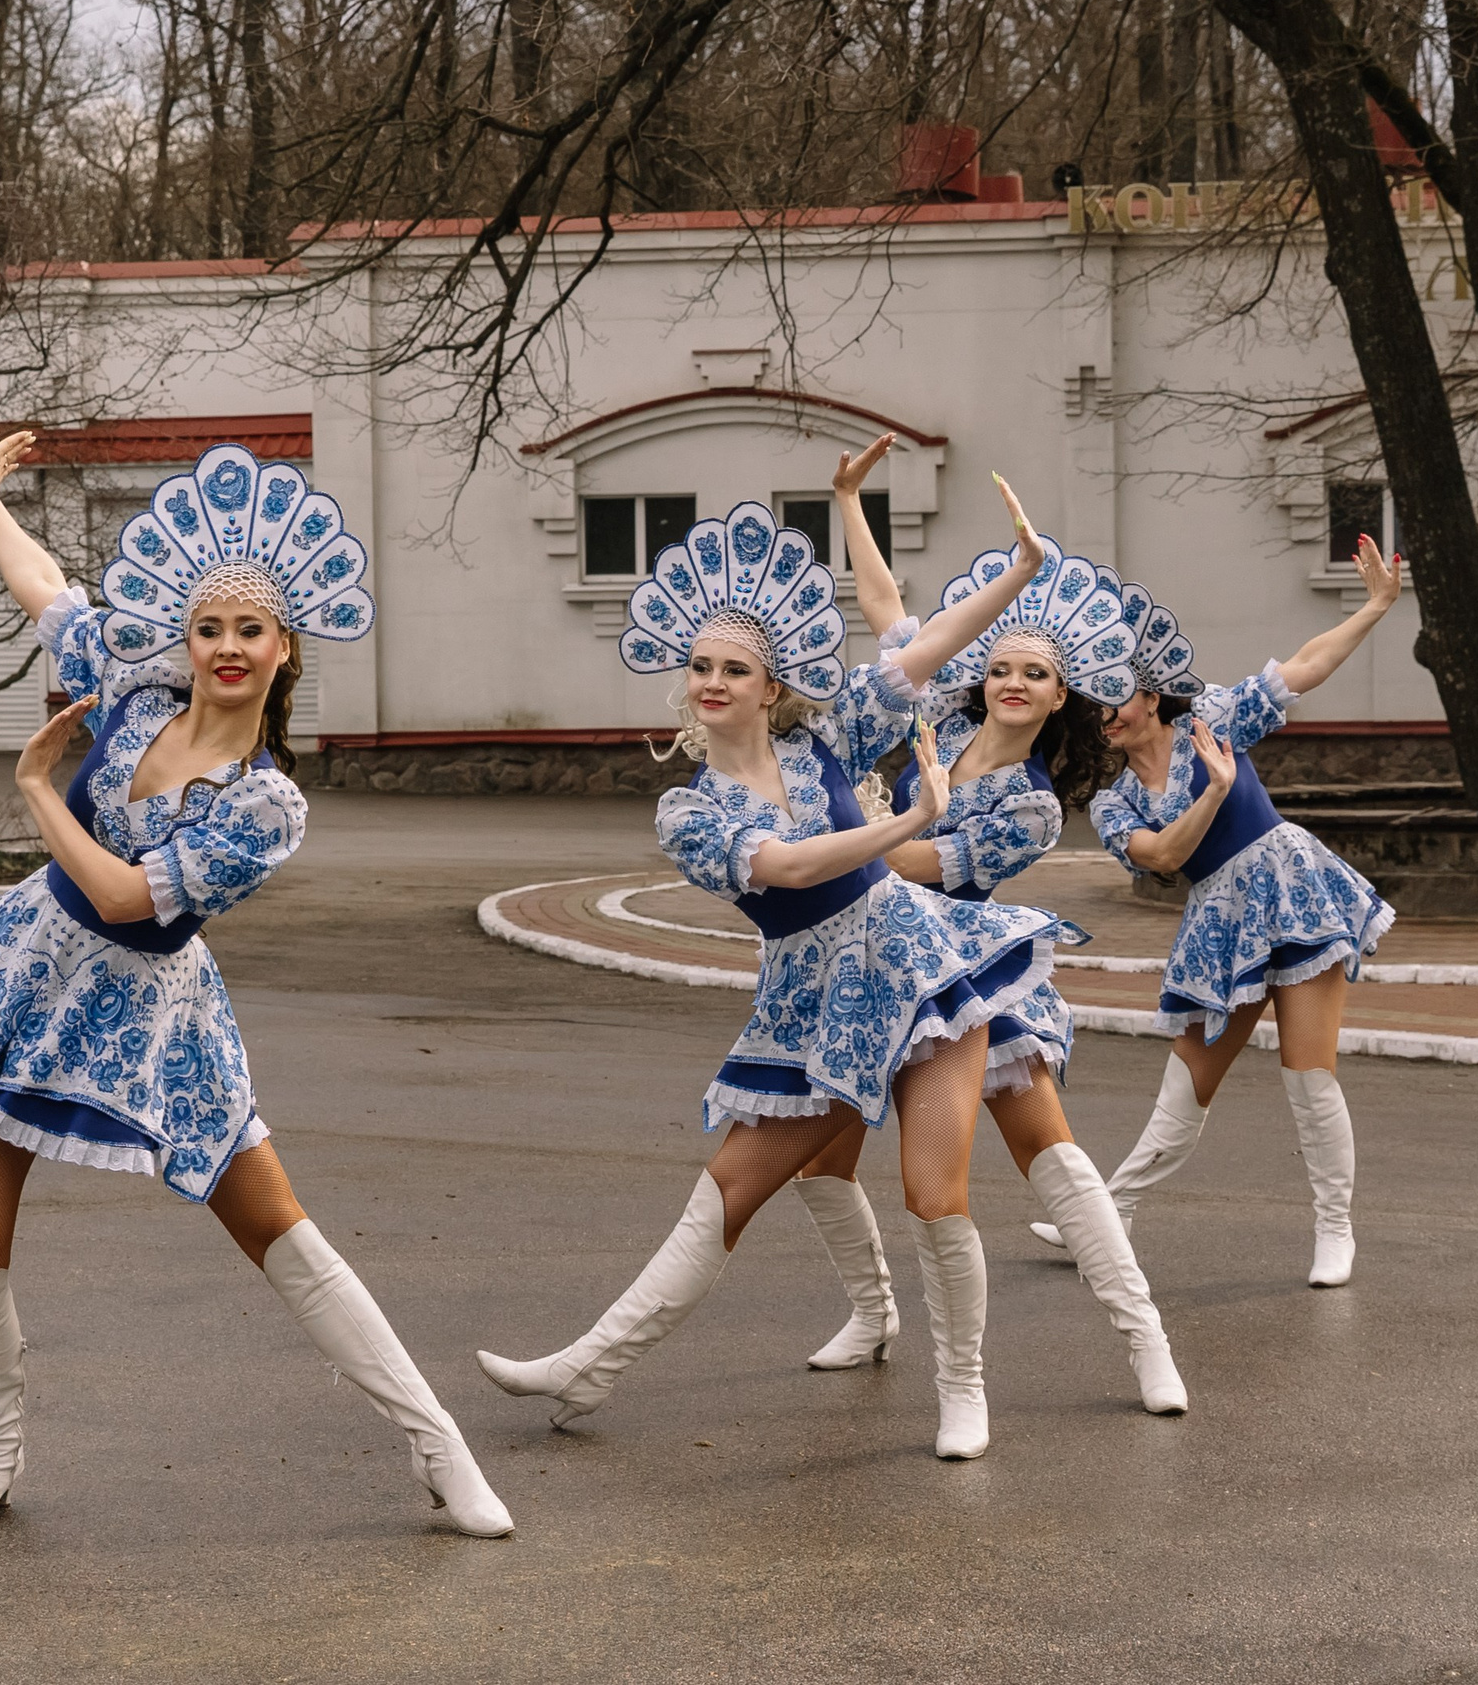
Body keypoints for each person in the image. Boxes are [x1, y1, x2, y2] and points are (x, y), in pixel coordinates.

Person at [0, 428, 512, 1538]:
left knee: (279, 1228)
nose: (225, 646)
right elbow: (47, 592)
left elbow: (128, 900)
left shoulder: (266, 804)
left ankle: (438, 1448)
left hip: (154, 1009)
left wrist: (36, 792)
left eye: (248, 630)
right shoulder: (131, 694)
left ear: (281, 649)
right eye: (209, 626)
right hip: (26, 972)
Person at [477, 448, 1084, 1462]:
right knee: (728, 1185)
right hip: (811, 998)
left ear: (771, 687)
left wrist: (1021, 575)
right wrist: (903, 830)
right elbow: (791, 869)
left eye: (734, 670)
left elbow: (922, 652)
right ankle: (589, 1364)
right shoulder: (691, 809)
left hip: (916, 969)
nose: (711, 683)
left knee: (935, 1194)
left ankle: (963, 1390)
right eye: (701, 668)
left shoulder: (826, 739)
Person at [782, 455, 1184, 1415]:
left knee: (1050, 1155)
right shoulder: (933, 722)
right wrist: (847, 500)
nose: (1011, 680)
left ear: (1060, 699)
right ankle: (872, 1314)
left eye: (1034, 673)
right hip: (877, 964)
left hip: (969, 975)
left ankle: (1147, 1343)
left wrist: (821, 844)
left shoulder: (1034, 809)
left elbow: (904, 865)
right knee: (819, 1156)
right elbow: (889, 610)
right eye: (1001, 666)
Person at [1028, 534, 1401, 1289]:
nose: (1106, 714)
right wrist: (1213, 793)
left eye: (1118, 697)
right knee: (1183, 1089)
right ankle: (1112, 1211)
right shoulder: (1114, 800)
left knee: (1310, 1077)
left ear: (1151, 694)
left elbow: (1303, 666)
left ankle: (1335, 1226)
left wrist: (1375, 606)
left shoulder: (1217, 721)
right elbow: (1162, 857)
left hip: (1293, 893)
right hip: (1220, 921)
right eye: (1095, 703)